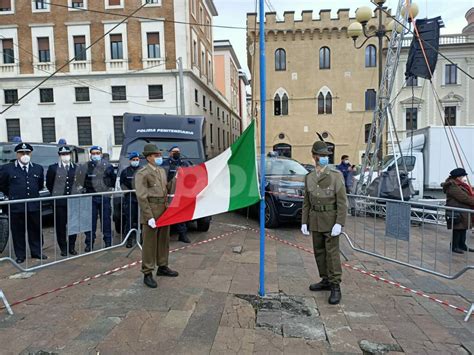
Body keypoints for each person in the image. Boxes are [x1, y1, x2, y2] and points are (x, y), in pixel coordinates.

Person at [301, 141, 348, 305]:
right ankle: (325, 280)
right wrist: (304, 222)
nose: (324, 158)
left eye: (326, 156)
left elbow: (342, 202)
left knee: (332, 254)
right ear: (314, 156)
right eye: (321, 156)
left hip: (331, 220)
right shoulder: (309, 177)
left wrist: (339, 223)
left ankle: (335, 286)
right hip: (315, 220)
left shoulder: (336, 176)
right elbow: (306, 202)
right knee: (319, 252)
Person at [135, 144, 179, 288]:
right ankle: (147, 272)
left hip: (163, 209)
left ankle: (162, 266)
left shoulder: (161, 171)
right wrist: (149, 216)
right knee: (149, 243)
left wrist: (177, 179)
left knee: (163, 241)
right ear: (148, 157)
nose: (159, 158)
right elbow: (142, 197)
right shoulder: (143, 173)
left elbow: (167, 189)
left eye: (160, 155)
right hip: (152, 210)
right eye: (156, 155)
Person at [0, 143, 47, 263]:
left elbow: (39, 185)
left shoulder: (38, 168)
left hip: (33, 206)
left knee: (35, 230)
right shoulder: (7, 168)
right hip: (16, 206)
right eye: (22, 153)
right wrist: (12, 195)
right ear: (17, 154)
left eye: (27, 153)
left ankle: (36, 252)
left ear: (31, 153)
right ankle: (20, 255)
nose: (25, 155)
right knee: (18, 231)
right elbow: (3, 185)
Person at [76, 146, 116, 252]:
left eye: (97, 153)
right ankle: (89, 243)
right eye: (93, 153)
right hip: (91, 196)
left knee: (106, 220)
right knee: (90, 221)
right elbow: (80, 181)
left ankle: (108, 242)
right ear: (90, 154)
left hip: (104, 196)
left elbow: (113, 179)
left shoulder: (108, 166)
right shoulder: (85, 167)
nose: (95, 155)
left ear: (101, 154)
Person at [46, 146, 80, 256]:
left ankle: (71, 247)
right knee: (60, 226)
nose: (65, 156)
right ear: (59, 155)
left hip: (73, 201)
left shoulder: (76, 168)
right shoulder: (53, 168)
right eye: (63, 154)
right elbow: (49, 185)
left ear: (70, 155)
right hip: (59, 202)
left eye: (67, 154)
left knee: (73, 226)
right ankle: (63, 248)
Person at [162, 146, 190, 243]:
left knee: (180, 214)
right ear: (170, 153)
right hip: (169, 193)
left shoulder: (184, 164)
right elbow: (163, 178)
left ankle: (182, 235)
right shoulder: (165, 164)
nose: (176, 153)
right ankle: (165, 236)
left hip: (181, 193)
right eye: (174, 152)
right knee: (166, 214)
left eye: (178, 152)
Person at [442, 168, 474, 254]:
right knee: (457, 228)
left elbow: (467, 193)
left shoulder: (460, 185)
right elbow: (463, 197)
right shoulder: (452, 186)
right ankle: (454, 246)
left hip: (463, 210)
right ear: (457, 177)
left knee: (463, 228)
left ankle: (462, 245)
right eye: (462, 176)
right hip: (457, 210)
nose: (464, 178)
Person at [120, 151, 141, 248]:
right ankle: (129, 239)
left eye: (137, 160)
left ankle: (141, 238)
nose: (135, 161)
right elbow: (122, 184)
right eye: (134, 160)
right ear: (130, 160)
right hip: (130, 198)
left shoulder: (142, 171)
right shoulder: (125, 171)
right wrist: (129, 192)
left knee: (140, 219)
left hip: (140, 198)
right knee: (129, 219)